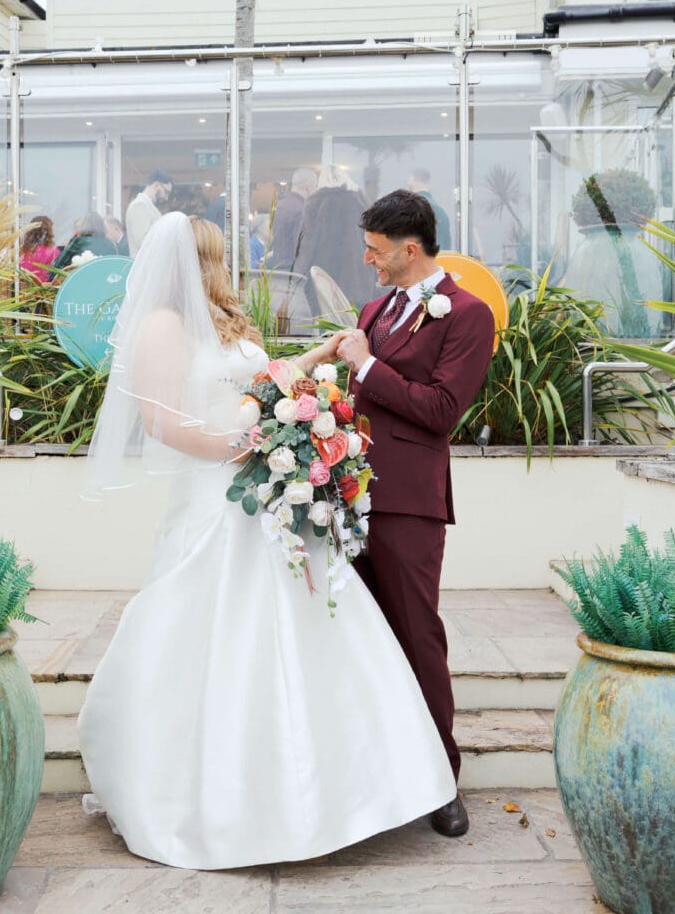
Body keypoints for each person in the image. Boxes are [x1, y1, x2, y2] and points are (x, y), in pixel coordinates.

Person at [77, 212, 455, 870]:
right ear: (195, 261)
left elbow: (257, 384)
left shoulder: (220, 320)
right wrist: (243, 446)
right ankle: (223, 799)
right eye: (214, 258)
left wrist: (307, 377)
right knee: (216, 629)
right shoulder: (162, 326)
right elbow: (163, 423)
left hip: (269, 493)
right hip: (219, 497)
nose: (221, 268)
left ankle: (353, 787)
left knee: (315, 626)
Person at [336, 189, 494, 838]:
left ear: (409, 249)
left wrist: (366, 365)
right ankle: (377, 776)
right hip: (348, 496)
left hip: (408, 503)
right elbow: (357, 397)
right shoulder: (372, 308)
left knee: (416, 637)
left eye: (375, 252)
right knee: (361, 642)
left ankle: (440, 783)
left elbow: (437, 411)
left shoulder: (466, 314)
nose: (368, 262)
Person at [292, 165, 378, 314]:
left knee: (326, 328)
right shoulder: (361, 200)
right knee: (355, 325)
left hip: (323, 283)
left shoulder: (316, 202)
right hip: (358, 279)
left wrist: (298, 278)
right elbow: (374, 239)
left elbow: (306, 246)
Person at [269, 167, 317, 271]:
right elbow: (301, 248)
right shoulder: (303, 209)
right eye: (315, 187)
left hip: (278, 268)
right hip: (293, 271)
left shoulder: (280, 206)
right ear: (309, 187)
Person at [125, 170, 173, 256]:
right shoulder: (139, 205)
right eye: (166, 192)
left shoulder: (146, 205)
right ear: (156, 185)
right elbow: (143, 242)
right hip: (146, 267)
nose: (166, 198)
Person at [53, 211, 118, 270]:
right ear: (102, 226)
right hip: (104, 280)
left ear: (84, 225)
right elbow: (114, 267)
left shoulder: (79, 241)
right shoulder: (110, 244)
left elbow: (59, 264)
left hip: (80, 279)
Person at [407, 169, 452, 251]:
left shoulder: (410, 209)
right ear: (429, 185)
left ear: (411, 184)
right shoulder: (442, 213)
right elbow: (447, 247)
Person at [19, 215, 60, 281]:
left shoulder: (22, 249)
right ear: (49, 232)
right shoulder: (54, 252)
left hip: (21, 286)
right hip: (42, 288)